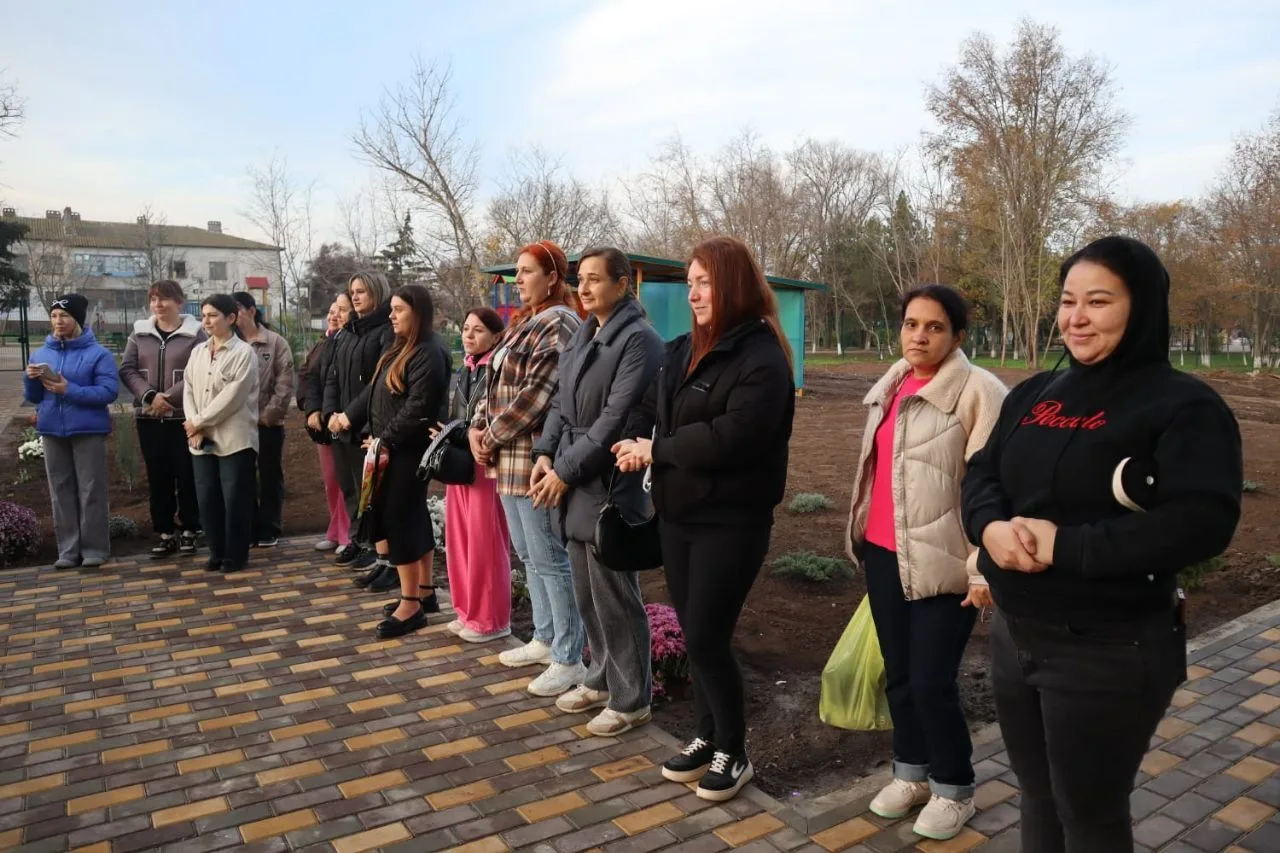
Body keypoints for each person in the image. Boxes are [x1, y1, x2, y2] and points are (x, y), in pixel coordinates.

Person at [962, 236, 1243, 853]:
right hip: (1016, 634)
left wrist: (1068, 547)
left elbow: (1204, 521)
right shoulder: (1035, 393)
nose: (1077, 318)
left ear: (1141, 308)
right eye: (1068, 301)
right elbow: (983, 472)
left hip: (1108, 648)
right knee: (1037, 797)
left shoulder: (1183, 406)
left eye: (1098, 301)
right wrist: (989, 529)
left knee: (1088, 815)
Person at [614, 236, 795, 802]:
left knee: (709, 635)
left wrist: (658, 450)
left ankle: (734, 752)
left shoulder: (762, 358)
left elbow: (733, 437)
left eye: (705, 282)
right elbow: (650, 406)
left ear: (734, 285)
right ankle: (707, 734)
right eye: (690, 283)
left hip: (731, 522)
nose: (693, 293)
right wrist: (633, 438)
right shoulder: (683, 349)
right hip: (679, 516)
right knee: (696, 634)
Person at [844, 284, 1007, 841]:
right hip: (885, 555)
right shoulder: (892, 384)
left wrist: (982, 566)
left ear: (958, 336)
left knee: (933, 681)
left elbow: (995, 488)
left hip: (946, 564)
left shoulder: (981, 392)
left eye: (935, 327)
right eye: (911, 324)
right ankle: (911, 773)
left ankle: (954, 787)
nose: (919, 336)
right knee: (900, 675)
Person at [532, 247, 664, 737]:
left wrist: (564, 471)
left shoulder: (639, 340)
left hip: (610, 477)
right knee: (587, 590)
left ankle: (632, 699)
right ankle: (601, 678)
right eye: (580, 279)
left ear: (622, 284)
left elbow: (614, 418)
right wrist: (545, 453)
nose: (583, 289)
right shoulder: (584, 334)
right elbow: (560, 404)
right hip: (574, 470)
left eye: (594, 279)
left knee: (614, 591)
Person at [469, 240, 585, 697]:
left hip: (533, 459)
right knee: (530, 555)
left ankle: (569, 657)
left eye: (526, 271)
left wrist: (490, 435)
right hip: (507, 459)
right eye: (516, 271)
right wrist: (477, 428)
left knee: (550, 558)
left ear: (552, 276)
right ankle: (545, 637)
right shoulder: (523, 323)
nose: (517, 279)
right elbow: (492, 385)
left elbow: (538, 394)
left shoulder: (559, 321)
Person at [345, 284, 450, 638]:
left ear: (417, 313)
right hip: (394, 447)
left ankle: (411, 605)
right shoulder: (402, 347)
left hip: (408, 450)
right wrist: (372, 433)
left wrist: (385, 439)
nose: (391, 315)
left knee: (399, 519)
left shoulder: (429, 352)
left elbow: (419, 407)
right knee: (413, 518)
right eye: (391, 309)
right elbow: (379, 396)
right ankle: (425, 592)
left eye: (399, 309)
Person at [24, 294, 119, 569]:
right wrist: (29, 379)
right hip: (52, 430)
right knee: (60, 491)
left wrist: (70, 390)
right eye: (54, 316)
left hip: (88, 430)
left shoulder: (98, 354)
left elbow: (108, 392)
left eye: (64, 316)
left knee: (91, 491)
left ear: (77, 319)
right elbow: (34, 397)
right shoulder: (41, 354)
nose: (58, 321)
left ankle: (94, 549)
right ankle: (68, 550)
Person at [441, 307, 513, 643]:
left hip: (486, 464)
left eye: (478, 330)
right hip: (460, 461)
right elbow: (455, 417)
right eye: (466, 328)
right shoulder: (464, 369)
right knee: (460, 540)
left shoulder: (499, 368)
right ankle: (467, 611)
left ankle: (492, 620)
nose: (469, 335)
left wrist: (468, 433)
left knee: (485, 543)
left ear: (496, 336)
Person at [119, 279, 206, 558]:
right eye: (154, 299)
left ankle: (191, 529)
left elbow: (199, 370)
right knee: (158, 478)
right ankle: (165, 532)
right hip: (148, 418)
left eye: (164, 299)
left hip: (182, 418)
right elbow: (127, 369)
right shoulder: (139, 333)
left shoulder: (196, 334)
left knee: (187, 475)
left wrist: (166, 398)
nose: (158, 304)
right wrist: (149, 397)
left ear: (179, 302)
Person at [325, 272, 394, 580]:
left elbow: (378, 381)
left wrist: (349, 416)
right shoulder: (348, 331)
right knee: (350, 487)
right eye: (352, 291)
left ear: (377, 292)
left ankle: (374, 546)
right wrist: (330, 412)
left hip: (366, 424)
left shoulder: (385, 332)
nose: (354, 296)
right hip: (341, 425)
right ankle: (358, 538)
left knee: (370, 492)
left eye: (362, 291)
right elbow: (333, 375)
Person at [184, 294, 260, 574]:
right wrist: (194, 424)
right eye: (204, 315)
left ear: (231, 318)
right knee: (207, 499)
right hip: (200, 438)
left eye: (213, 315)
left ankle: (235, 556)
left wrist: (198, 421)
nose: (206, 321)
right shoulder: (198, 352)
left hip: (234, 440)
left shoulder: (244, 353)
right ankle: (216, 552)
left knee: (235, 500)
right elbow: (188, 389)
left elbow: (232, 397)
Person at [232, 292, 295, 548]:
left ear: (251, 310)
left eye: (238, 309)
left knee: (269, 476)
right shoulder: (230, 343)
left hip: (268, 424)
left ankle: (269, 527)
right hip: (237, 425)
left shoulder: (275, 343)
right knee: (241, 477)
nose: (234, 316)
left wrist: (267, 416)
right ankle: (247, 528)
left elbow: (285, 384)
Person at [299, 293, 354, 553]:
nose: (334, 315)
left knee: (343, 481)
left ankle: (347, 535)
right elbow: (309, 377)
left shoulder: (349, 341)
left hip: (343, 420)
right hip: (323, 422)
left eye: (341, 310)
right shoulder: (325, 344)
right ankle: (336, 530)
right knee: (331, 481)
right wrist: (312, 409)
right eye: (332, 311)